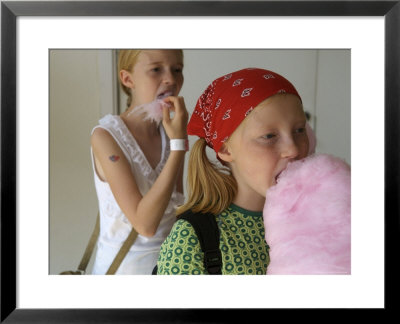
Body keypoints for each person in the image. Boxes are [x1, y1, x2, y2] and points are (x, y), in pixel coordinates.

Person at [157, 68, 310, 275]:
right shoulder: (191, 238)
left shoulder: (313, 220)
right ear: (225, 149)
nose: (293, 149)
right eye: (269, 136)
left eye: (299, 130)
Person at [90, 49, 188, 274]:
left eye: (177, 70)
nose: (171, 79)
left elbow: (177, 209)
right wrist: (179, 145)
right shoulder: (105, 136)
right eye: (156, 69)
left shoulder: (171, 134)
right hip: (124, 275)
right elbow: (145, 225)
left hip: (170, 269)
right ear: (127, 79)